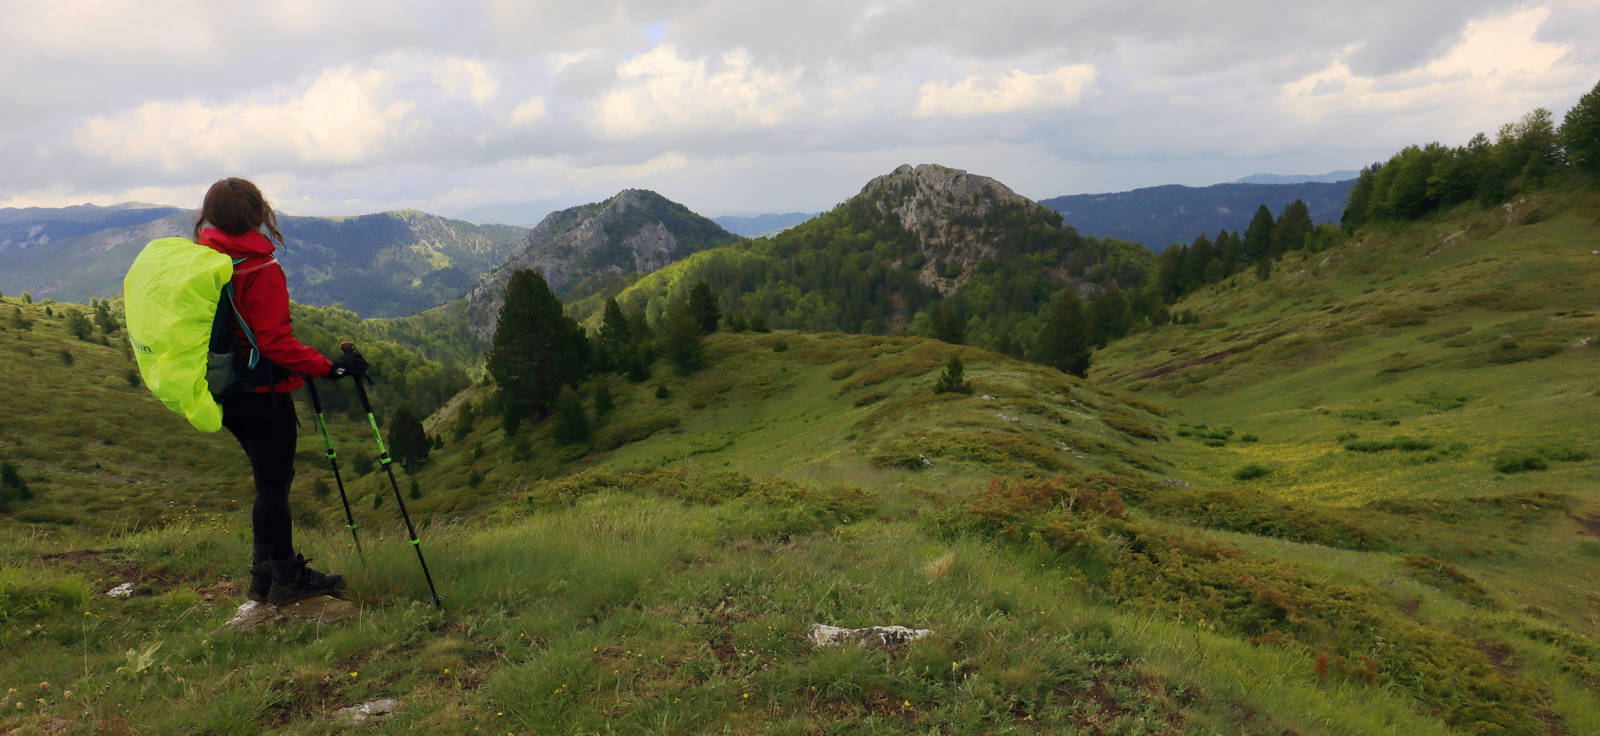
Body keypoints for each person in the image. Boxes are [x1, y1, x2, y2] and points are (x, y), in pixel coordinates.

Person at [194, 177, 366, 605]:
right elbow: (273, 341)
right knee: (274, 487)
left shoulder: (204, 258)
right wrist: (330, 368)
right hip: (262, 390)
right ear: (258, 213)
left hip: (224, 385)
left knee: (266, 481)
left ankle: (263, 577)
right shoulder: (259, 268)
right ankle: (287, 578)